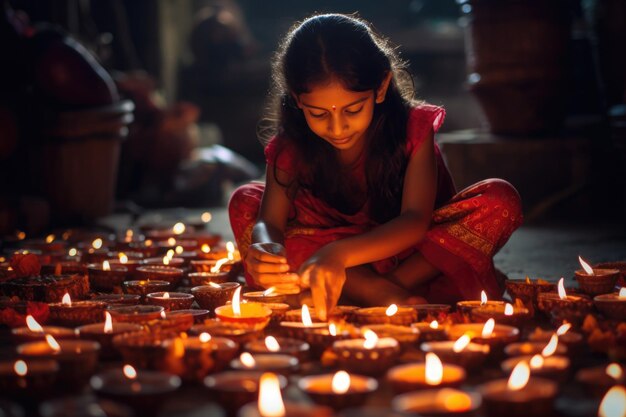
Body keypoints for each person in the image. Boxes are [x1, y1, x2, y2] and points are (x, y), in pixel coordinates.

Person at [229, 13, 522, 321]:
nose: (338, 128)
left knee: (500, 199)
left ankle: (371, 289)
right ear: (297, 100)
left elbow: (414, 221)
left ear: (381, 87)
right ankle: (372, 290)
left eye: (353, 109)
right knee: (244, 201)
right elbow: (269, 221)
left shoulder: (412, 129)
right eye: (318, 114)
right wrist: (266, 248)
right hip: (323, 244)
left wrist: (337, 255)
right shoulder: (293, 144)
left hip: (405, 252)